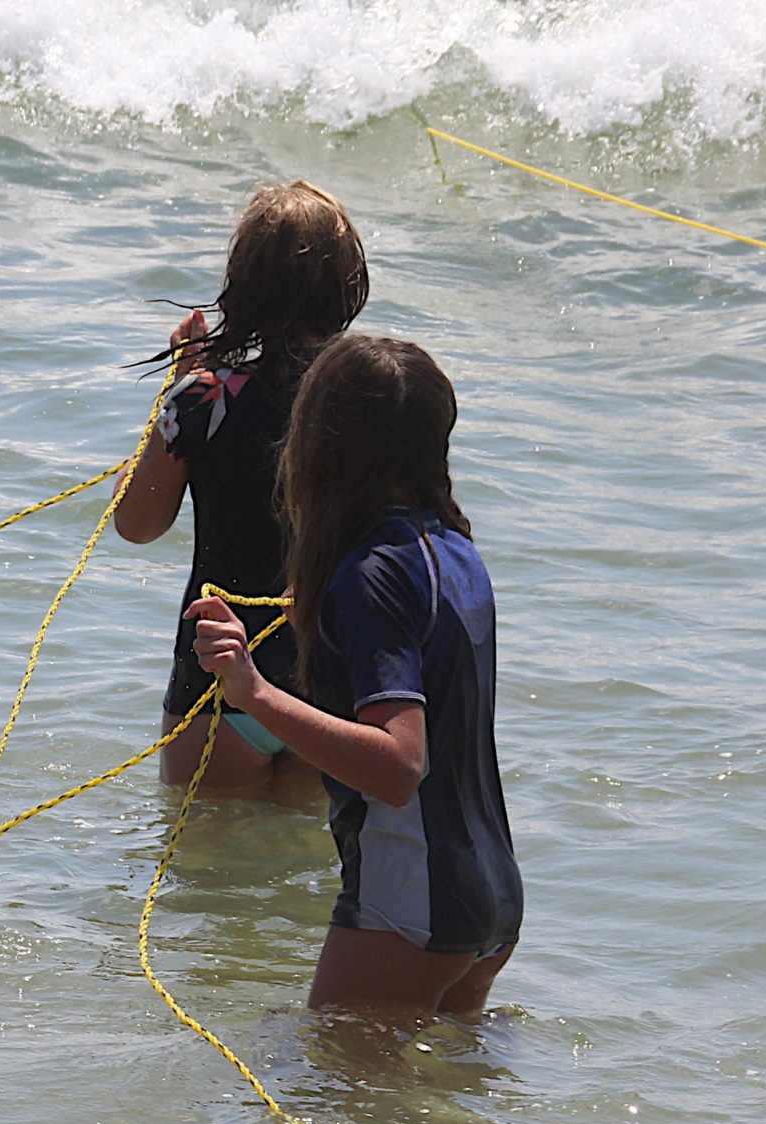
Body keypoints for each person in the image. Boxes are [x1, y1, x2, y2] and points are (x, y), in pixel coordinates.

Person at [187, 334, 520, 1016]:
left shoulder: (368, 578)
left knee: (316, 1103)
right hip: (491, 896)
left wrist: (253, 691)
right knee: (439, 1104)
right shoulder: (456, 550)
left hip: (411, 898)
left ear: (320, 444)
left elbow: (399, 765)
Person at [113, 180, 370, 794]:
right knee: (307, 877)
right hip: (336, 680)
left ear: (244, 285)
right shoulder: (370, 391)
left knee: (206, 877)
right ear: (348, 285)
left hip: (218, 674)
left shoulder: (205, 394)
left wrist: (179, 386)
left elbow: (136, 523)